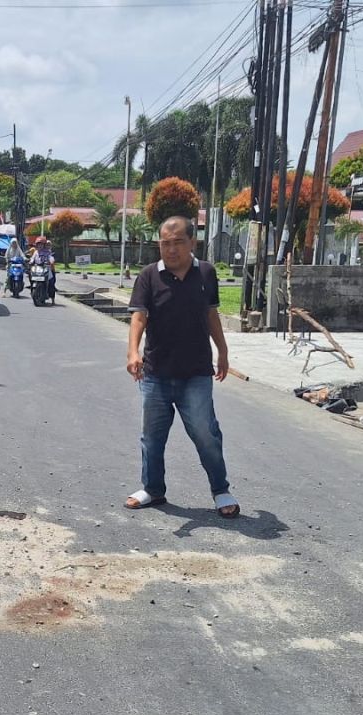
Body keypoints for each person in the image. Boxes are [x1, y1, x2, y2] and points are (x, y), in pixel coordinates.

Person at [124, 216, 238, 517]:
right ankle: (152, 489)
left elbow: (212, 314)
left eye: (177, 242)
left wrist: (223, 351)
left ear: (192, 243)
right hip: (156, 372)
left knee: (205, 432)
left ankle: (221, 490)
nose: (171, 249)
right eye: (165, 243)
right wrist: (132, 352)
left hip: (196, 373)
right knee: (152, 437)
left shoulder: (206, 273)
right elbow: (139, 316)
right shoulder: (149, 275)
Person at [30, 236, 57, 300]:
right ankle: (33, 290)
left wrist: (51, 261)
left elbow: (50, 257)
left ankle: (52, 296)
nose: (40, 246)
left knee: (51, 282)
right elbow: (32, 258)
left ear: (44, 245)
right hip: (37, 268)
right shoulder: (36, 252)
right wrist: (30, 262)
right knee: (31, 277)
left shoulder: (47, 252)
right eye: (38, 244)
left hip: (46, 268)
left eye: (41, 244)